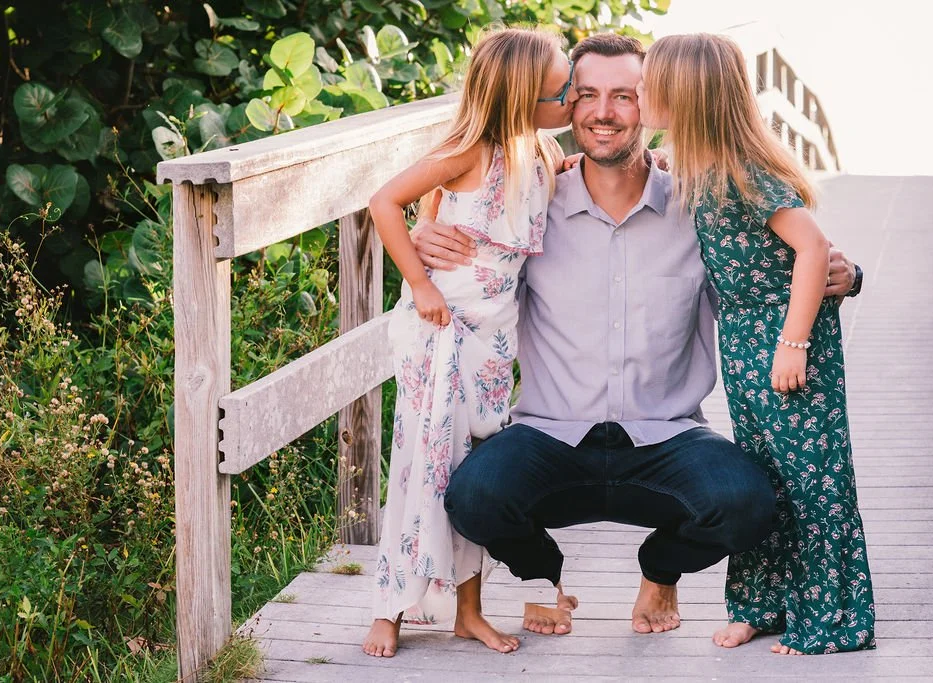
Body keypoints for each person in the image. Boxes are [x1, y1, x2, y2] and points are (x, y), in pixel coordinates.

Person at [412, 32, 864, 640]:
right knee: (474, 498)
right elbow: (460, 214)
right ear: (566, 104)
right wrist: (423, 232)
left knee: (750, 503)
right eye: (587, 95)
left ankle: (661, 569)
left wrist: (849, 275)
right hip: (550, 435)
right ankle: (544, 578)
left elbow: (777, 263)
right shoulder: (531, 205)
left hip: (667, 437)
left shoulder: (700, 205)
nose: (604, 113)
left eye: (624, 95)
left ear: (654, 101)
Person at [638, 33, 876, 655]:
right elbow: (657, 164)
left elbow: (813, 246)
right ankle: (761, 605)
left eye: (647, 83)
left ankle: (829, 619)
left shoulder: (743, 170)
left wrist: (793, 343)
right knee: (766, 473)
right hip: (744, 337)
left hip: (783, 335)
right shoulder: (696, 163)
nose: (639, 92)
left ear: (685, 93)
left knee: (811, 478)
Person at [362, 27, 577, 658]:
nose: (571, 98)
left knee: (470, 473)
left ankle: (468, 611)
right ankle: (389, 608)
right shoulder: (468, 151)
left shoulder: (541, 154)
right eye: (561, 91)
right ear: (521, 98)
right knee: (423, 463)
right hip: (441, 329)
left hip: (492, 341)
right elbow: (384, 202)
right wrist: (419, 280)